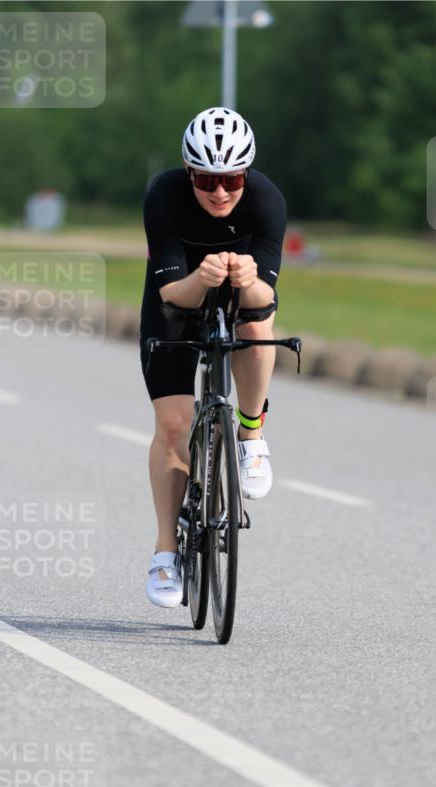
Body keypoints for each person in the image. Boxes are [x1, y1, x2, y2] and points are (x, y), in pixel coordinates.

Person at [140, 107, 287, 608]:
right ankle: (165, 551)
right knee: (176, 425)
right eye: (206, 179)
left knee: (256, 324)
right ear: (188, 172)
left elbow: (265, 301)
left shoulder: (267, 201)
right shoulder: (164, 195)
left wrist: (246, 280)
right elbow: (169, 295)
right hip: (175, 299)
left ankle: (251, 434)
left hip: (240, 297)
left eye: (232, 179)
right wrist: (200, 279)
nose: (220, 192)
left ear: (247, 174)